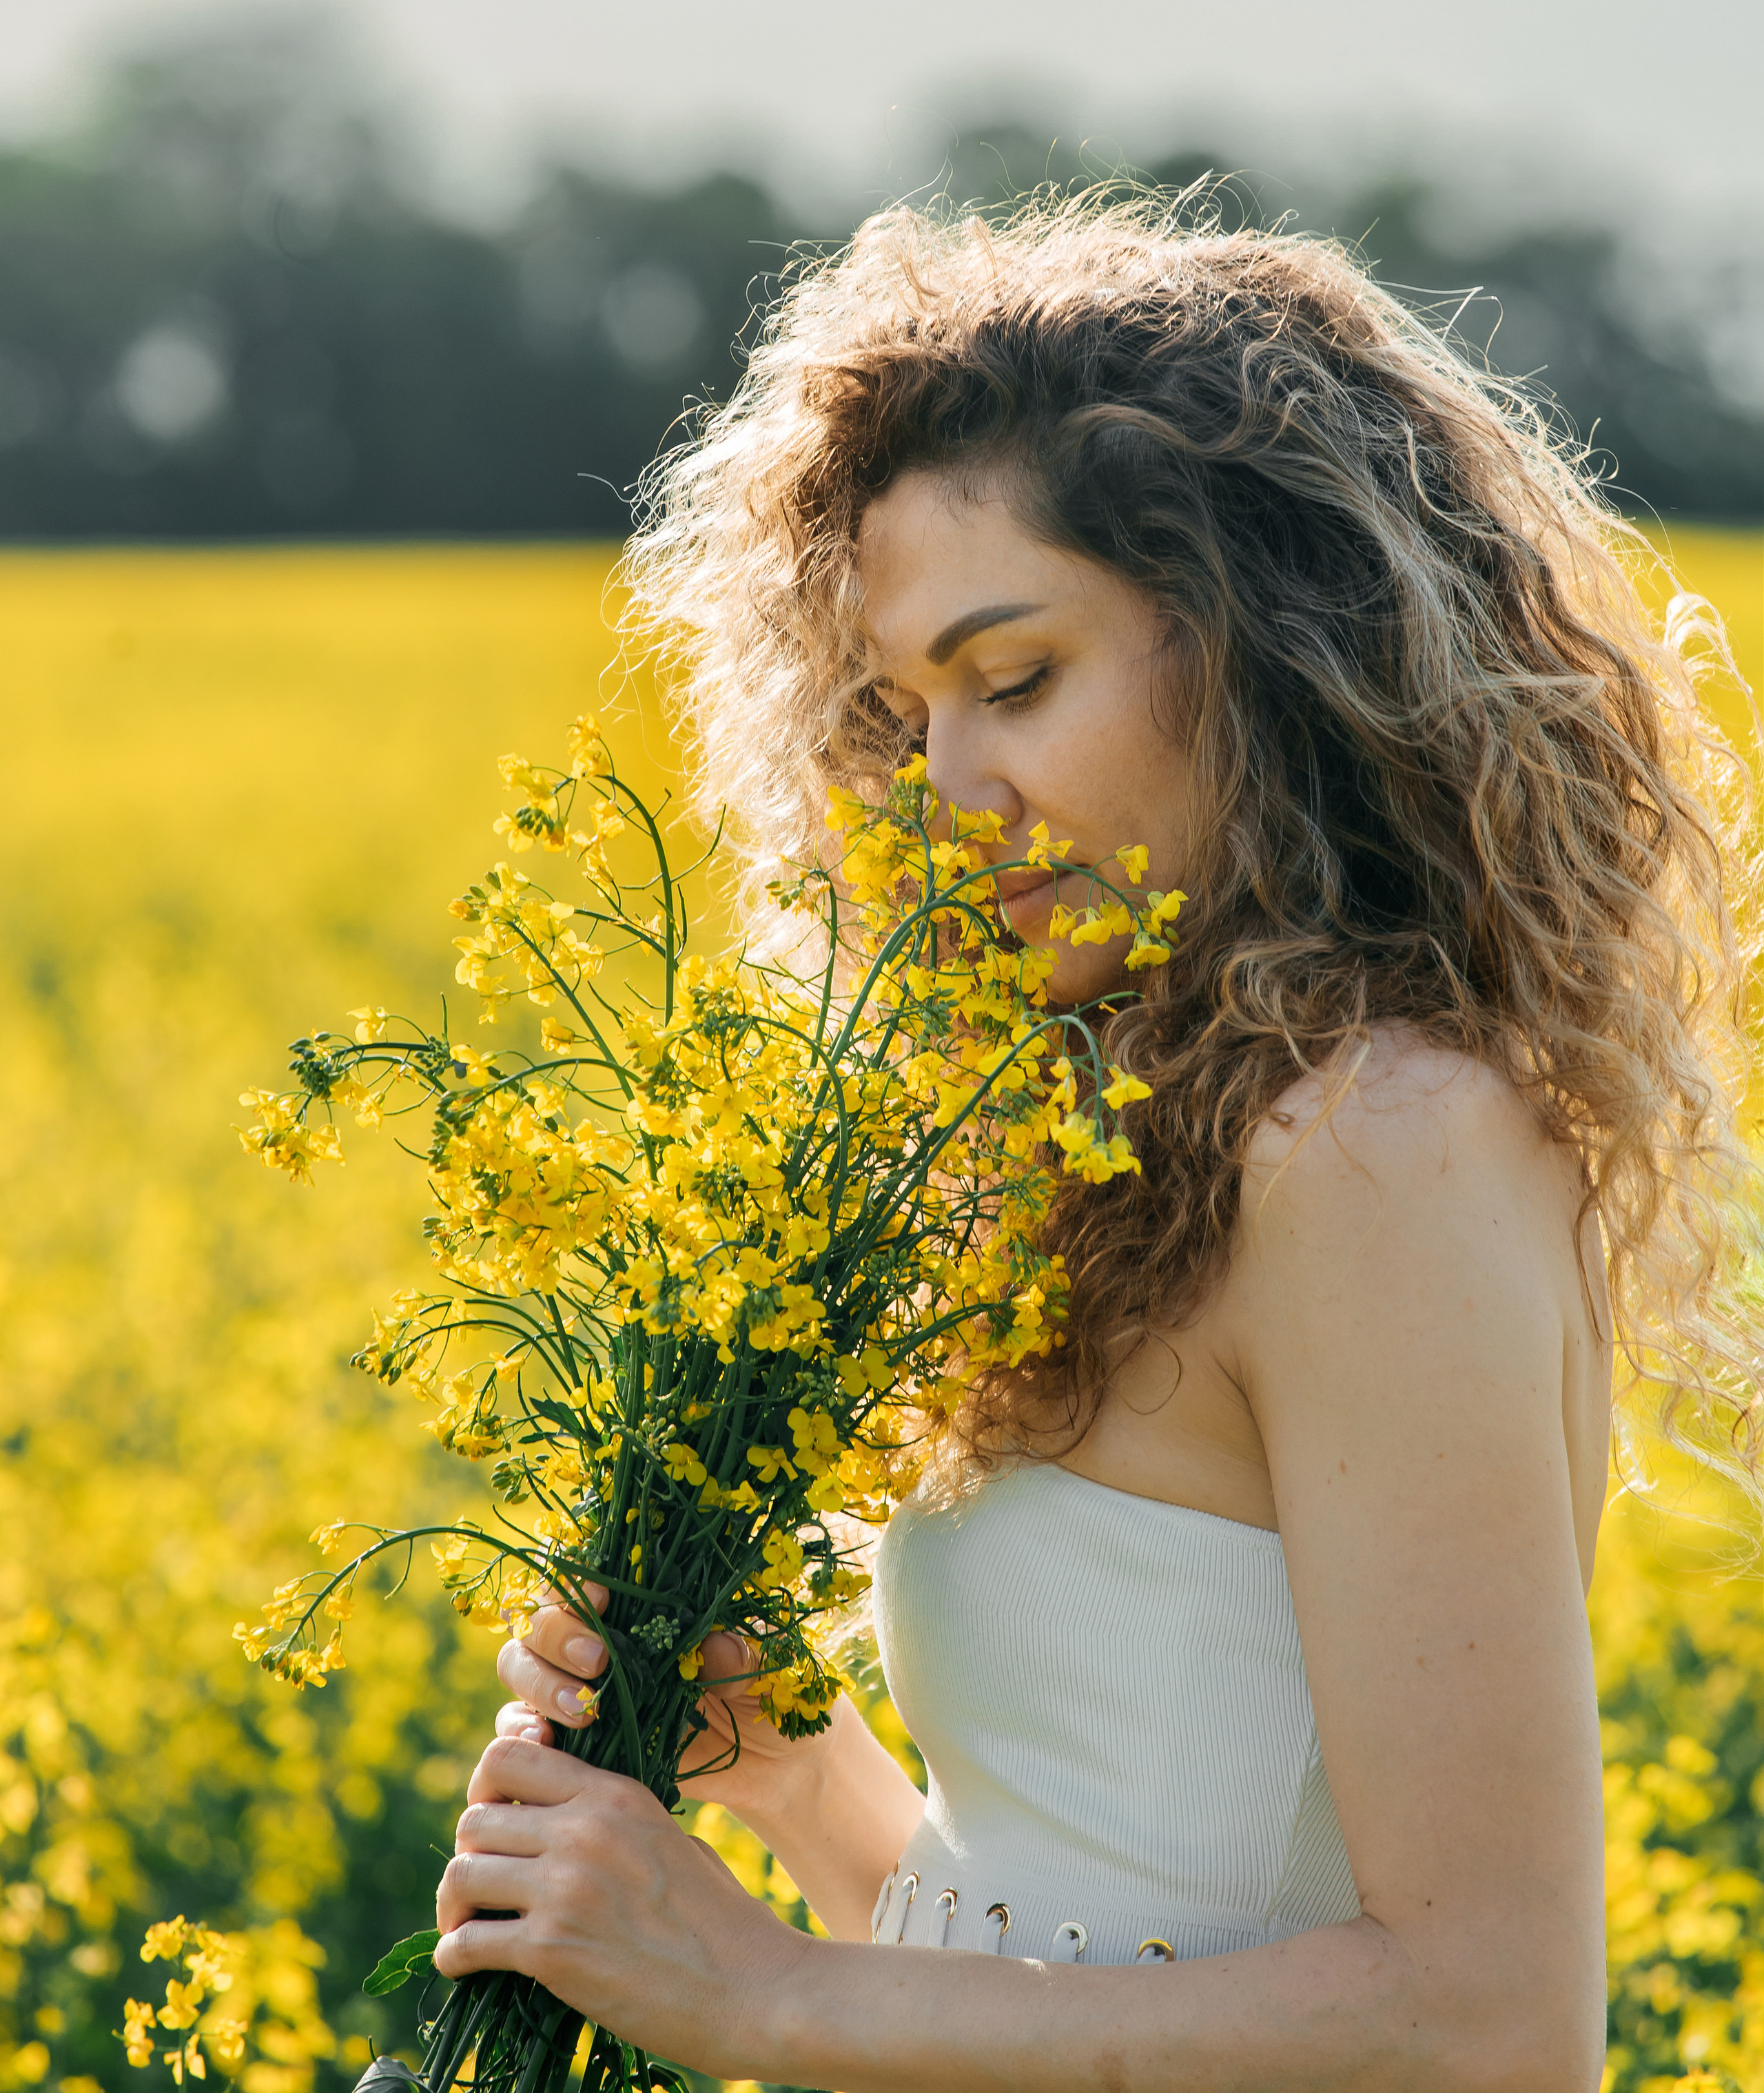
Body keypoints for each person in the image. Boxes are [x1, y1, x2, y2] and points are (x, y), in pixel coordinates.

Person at [429, 196, 1761, 2092]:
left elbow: (1488, 2025)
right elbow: (1048, 1924)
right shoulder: (1115, 1152)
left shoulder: (1383, 1144)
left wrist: (760, 1993)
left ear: (1260, 642)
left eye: (1019, 676)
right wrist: (800, 1788)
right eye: (903, 713)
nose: (949, 791)